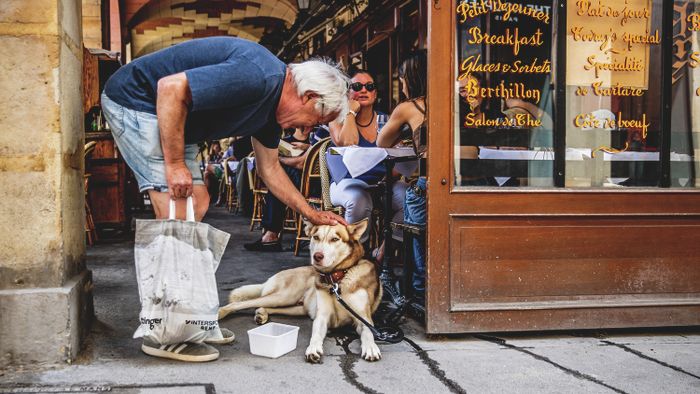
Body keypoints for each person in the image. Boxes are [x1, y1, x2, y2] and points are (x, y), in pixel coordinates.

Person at [101, 37, 348, 362]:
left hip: (179, 119)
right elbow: (171, 88)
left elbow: (270, 169)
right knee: (175, 213)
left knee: (197, 203)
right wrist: (174, 165)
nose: (308, 129)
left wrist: (312, 213)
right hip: (139, 102)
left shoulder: (272, 112)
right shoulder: (259, 77)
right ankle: (166, 331)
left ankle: (193, 318)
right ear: (308, 96)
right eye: (315, 120)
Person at [328, 70, 408, 248]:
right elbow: (349, 142)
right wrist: (350, 112)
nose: (363, 90)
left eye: (369, 86)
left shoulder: (386, 121)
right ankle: (356, 255)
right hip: (346, 182)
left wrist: (389, 177)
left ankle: (384, 252)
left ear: (375, 93)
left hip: (382, 182)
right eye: (356, 87)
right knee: (359, 199)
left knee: (410, 198)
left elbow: (398, 159)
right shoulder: (337, 119)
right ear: (348, 93)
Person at [377, 50, 427, 302]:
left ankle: (420, 292)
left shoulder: (409, 106)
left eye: (402, 79)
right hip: (463, 182)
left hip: (429, 184)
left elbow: (381, 140)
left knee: (418, 235)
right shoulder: (454, 102)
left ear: (411, 78)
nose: (401, 84)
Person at [244, 127, 313, 251]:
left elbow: (300, 164)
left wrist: (275, 161)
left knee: (279, 177)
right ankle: (271, 233)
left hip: (315, 183)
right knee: (278, 177)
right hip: (314, 179)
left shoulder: (322, 132)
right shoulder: (322, 132)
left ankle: (271, 234)